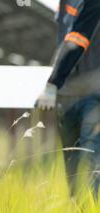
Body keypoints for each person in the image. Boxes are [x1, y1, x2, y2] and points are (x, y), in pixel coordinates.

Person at [36, 0, 100, 197]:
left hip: (94, 94)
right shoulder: (63, 4)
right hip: (66, 95)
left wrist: (52, 83)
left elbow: (77, 39)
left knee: (92, 165)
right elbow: (63, 42)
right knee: (72, 170)